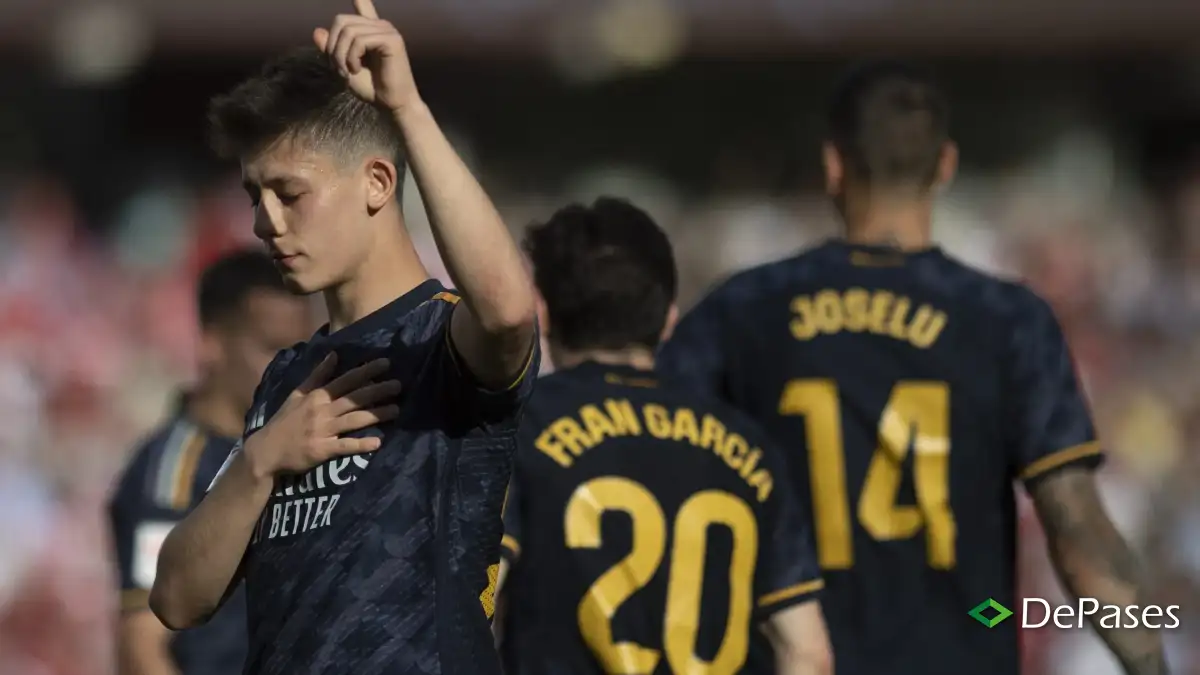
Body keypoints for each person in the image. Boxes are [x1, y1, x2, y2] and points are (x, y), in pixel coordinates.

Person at [657, 60, 1168, 675]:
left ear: (833, 166)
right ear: (945, 166)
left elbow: (658, 475)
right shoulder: (1007, 320)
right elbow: (1080, 536)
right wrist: (1151, 661)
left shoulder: (741, 310)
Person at [148, 2, 540, 674]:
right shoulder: (288, 377)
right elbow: (177, 597)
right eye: (254, 195)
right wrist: (260, 460)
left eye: (289, 192)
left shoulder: (443, 341)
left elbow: (506, 310)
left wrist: (407, 108)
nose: (265, 221)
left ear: (378, 183)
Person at [494, 197, 832, 675]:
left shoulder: (519, 428)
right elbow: (809, 654)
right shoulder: (749, 446)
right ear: (670, 318)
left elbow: (468, 604)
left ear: (542, 313)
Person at [110, 249, 313, 675]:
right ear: (212, 343)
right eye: (273, 348)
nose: (293, 365)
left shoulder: (291, 442)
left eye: (303, 347)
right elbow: (142, 644)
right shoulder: (171, 475)